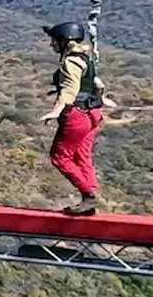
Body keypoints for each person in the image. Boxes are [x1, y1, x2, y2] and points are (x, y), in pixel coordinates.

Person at [39, 21, 109, 215]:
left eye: (54, 40)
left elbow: (70, 90)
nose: (51, 44)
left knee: (60, 156)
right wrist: (102, 98)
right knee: (81, 155)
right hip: (93, 113)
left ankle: (88, 196)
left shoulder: (70, 62)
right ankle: (90, 195)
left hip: (77, 115)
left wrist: (56, 110)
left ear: (64, 41)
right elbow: (97, 84)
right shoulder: (85, 59)